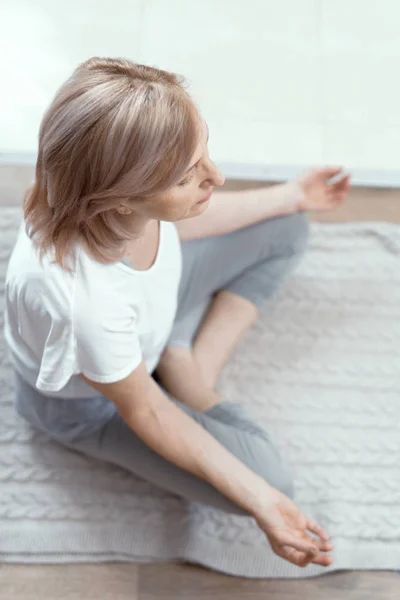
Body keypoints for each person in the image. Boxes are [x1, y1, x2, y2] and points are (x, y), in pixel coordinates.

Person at [4, 57, 350, 569]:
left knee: (287, 224)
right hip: (93, 407)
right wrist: (263, 503)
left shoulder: (99, 197)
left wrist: (292, 195)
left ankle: (182, 358)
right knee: (270, 483)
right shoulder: (88, 305)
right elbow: (146, 410)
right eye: (190, 175)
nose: (217, 176)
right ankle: (184, 373)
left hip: (147, 318)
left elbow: (179, 229)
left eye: (204, 150)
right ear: (121, 200)